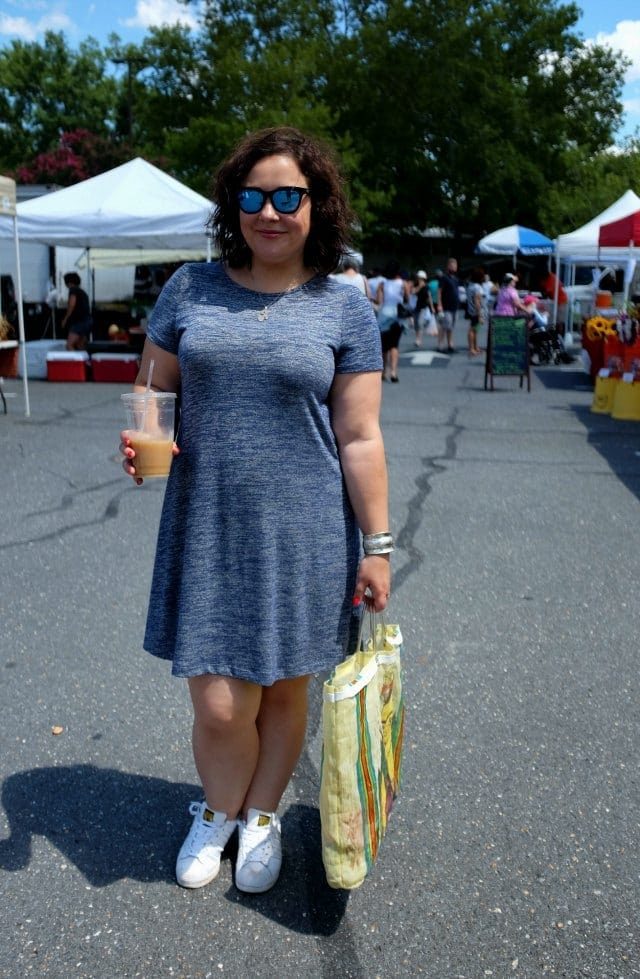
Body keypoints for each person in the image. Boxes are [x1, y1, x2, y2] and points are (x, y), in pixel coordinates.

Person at [119, 126, 392, 895]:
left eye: (288, 197)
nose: (269, 212)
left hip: (308, 530)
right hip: (208, 525)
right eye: (253, 196)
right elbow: (155, 389)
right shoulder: (189, 289)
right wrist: (145, 434)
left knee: (284, 688)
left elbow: (362, 435)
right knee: (219, 702)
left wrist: (377, 544)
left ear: (318, 205)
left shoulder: (344, 308)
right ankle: (217, 808)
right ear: (232, 204)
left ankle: (261, 814)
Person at [376, 259, 411, 382]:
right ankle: (394, 372)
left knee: (384, 347)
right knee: (394, 345)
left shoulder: (382, 284)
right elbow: (407, 300)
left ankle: (383, 372)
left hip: (384, 315)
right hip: (397, 316)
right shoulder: (403, 283)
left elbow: (379, 301)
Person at [62, 272, 92, 350]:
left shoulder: (73, 290)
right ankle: (86, 361)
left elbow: (72, 305)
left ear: (68, 282)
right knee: (80, 345)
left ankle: (74, 362)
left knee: (69, 345)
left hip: (79, 322)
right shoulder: (82, 292)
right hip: (87, 321)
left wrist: (65, 319)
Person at [436, 257, 459, 353]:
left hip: (455, 307)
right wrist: (439, 304)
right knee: (445, 326)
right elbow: (439, 292)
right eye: (452, 265)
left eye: (455, 265)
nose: (454, 267)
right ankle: (440, 345)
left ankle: (450, 344)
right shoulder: (444, 278)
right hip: (446, 306)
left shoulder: (456, 279)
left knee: (451, 327)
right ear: (448, 266)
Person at [411, 270, 434, 348]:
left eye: (421, 278)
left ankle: (418, 340)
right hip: (415, 307)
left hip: (423, 307)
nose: (419, 279)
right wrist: (419, 286)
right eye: (419, 278)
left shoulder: (426, 286)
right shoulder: (415, 285)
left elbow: (429, 297)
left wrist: (432, 307)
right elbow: (413, 292)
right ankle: (417, 337)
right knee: (416, 324)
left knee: (420, 323)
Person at [465, 267, 485, 356]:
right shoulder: (477, 287)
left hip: (471, 310)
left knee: (475, 329)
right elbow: (477, 301)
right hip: (476, 311)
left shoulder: (470, 285)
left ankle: (475, 347)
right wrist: (480, 315)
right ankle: (471, 349)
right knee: (472, 329)